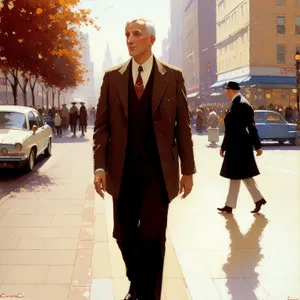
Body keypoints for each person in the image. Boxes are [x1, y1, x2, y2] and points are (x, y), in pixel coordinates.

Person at [93, 17, 196, 300]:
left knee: (153, 238)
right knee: (123, 235)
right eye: (126, 34)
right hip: (121, 171)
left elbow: (182, 127)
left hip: (157, 173)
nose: (129, 39)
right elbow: (101, 127)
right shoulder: (112, 77)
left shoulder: (172, 76)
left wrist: (187, 171)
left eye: (136, 34)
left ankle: (150, 295)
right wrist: (99, 166)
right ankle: (138, 283)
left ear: (151, 39)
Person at [217, 81, 266, 214]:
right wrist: (224, 146)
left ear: (231, 90)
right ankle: (233, 204)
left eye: (226, 90)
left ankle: (253, 200)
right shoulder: (236, 102)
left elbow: (251, 126)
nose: (225, 93)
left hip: (240, 146)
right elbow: (230, 128)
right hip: (235, 145)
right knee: (238, 175)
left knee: (240, 175)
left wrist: (258, 147)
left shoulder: (242, 104)